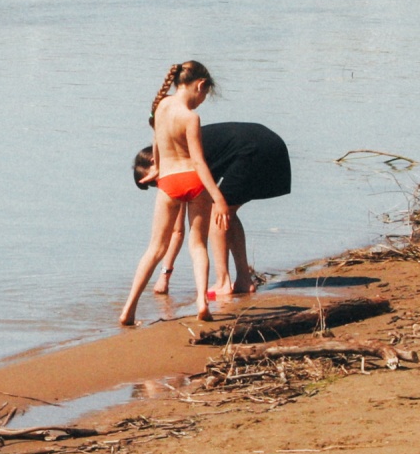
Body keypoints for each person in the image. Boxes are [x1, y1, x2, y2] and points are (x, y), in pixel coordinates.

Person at [117, 62, 229, 326]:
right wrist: (219, 198)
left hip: (168, 181)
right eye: (204, 95)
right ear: (199, 85)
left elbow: (156, 143)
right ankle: (202, 301)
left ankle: (129, 309)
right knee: (198, 245)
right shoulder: (190, 117)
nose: (201, 101)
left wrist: (157, 168)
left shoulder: (161, 107)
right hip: (193, 178)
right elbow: (199, 162)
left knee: (155, 249)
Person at [133, 121, 291, 304]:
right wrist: (165, 275)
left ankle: (223, 282)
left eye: (154, 181)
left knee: (218, 211)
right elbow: (177, 228)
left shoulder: (177, 159)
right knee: (226, 210)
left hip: (254, 149)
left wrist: (164, 276)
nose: (159, 185)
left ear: (154, 160)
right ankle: (244, 280)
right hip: (270, 143)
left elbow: (177, 231)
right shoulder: (176, 149)